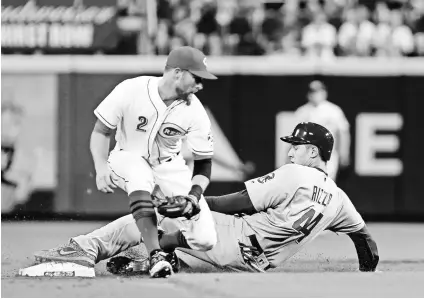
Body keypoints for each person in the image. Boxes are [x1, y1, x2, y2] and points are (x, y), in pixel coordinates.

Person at [34, 122, 379, 274]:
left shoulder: (296, 175)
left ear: (315, 152)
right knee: (179, 243)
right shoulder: (338, 198)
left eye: (297, 147)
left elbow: (240, 201)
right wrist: (365, 274)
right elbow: (367, 245)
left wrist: (194, 203)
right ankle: (156, 259)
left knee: (149, 220)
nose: (290, 153)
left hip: (232, 237)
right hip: (253, 264)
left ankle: (81, 251)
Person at [46, 46, 219, 278]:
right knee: (139, 175)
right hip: (126, 156)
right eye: (196, 78)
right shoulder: (132, 89)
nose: (200, 85)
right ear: (178, 72)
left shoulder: (194, 111)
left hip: (170, 166)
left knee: (206, 239)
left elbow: (204, 163)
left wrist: (193, 196)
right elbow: (100, 132)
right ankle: (155, 254)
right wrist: (100, 167)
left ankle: (162, 243)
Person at [291, 80, 350, 182]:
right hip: (306, 154)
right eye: (313, 92)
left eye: (318, 91)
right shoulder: (302, 111)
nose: (315, 95)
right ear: (308, 94)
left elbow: (343, 132)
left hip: (328, 154)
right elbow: (294, 136)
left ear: (324, 93)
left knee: (326, 183)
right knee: (307, 184)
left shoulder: (333, 110)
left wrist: (344, 153)